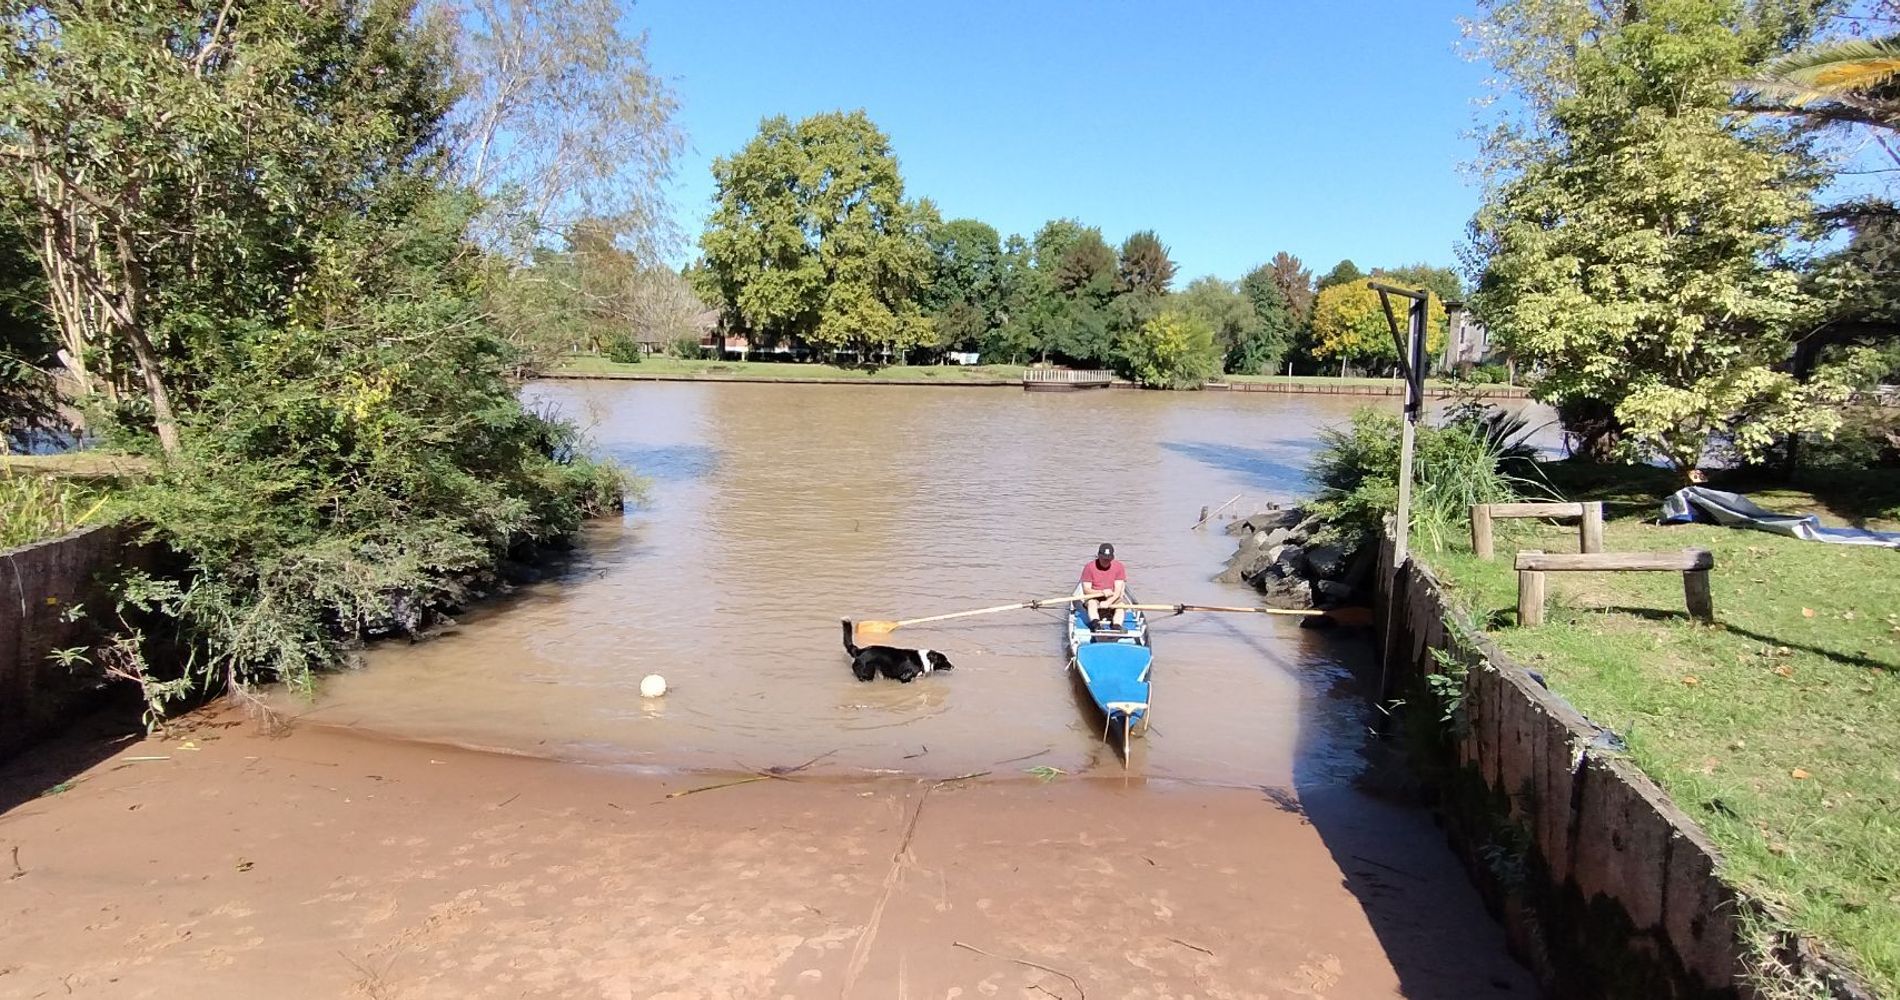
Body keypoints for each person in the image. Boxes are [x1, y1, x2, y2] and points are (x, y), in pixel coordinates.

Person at [1078, 542, 1127, 630]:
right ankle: (1096, 624)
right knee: (1092, 603)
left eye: (1108, 559)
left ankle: (1117, 626)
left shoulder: (1119, 567)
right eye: (1104, 559)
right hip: (1094, 597)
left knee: (1121, 606)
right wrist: (1101, 592)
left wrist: (1108, 602)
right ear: (1098, 556)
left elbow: (1118, 592)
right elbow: (1086, 590)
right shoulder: (1089, 567)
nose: (1106, 562)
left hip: (1113, 598)